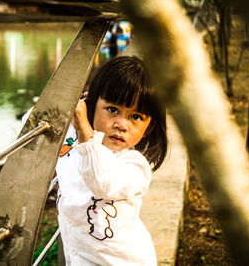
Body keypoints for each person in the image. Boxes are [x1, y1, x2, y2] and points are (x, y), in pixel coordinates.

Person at [55, 56, 168, 265]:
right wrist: (72, 104)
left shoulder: (135, 167)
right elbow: (32, 124)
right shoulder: (73, 136)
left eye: (136, 117)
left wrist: (84, 129)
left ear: (148, 128)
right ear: (91, 106)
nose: (121, 125)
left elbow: (102, 183)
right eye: (113, 110)